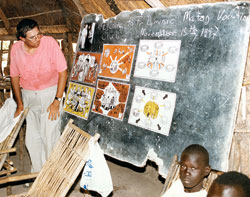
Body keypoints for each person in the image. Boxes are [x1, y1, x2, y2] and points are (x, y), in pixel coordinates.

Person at [10, 18, 67, 173]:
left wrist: (57, 100)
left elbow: (63, 72)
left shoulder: (49, 43)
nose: (38, 39)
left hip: (50, 94)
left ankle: (52, 176)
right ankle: (38, 174)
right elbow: (14, 76)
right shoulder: (16, 49)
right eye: (32, 37)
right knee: (32, 139)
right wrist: (20, 103)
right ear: (22, 39)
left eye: (38, 34)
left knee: (50, 137)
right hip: (29, 96)